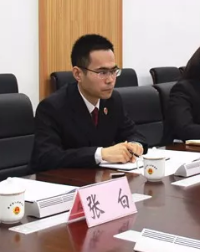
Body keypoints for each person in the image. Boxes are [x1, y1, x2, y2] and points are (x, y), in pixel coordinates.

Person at [32, 34, 147, 171]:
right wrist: (100, 154)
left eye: (113, 71)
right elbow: (46, 157)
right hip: (63, 180)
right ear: (78, 74)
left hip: (101, 178)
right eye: (102, 72)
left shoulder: (113, 100)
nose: (110, 80)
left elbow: (133, 133)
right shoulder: (52, 107)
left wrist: (135, 145)